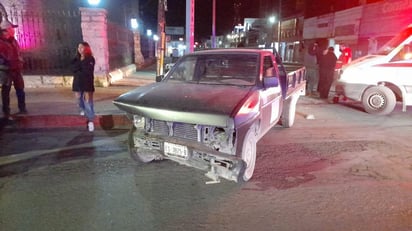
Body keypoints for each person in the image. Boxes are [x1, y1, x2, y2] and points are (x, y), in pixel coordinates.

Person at [0, 20, 26, 120]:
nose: (13, 31)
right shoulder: (1, 42)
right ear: (5, 30)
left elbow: (18, 52)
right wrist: (6, 63)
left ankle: (22, 107)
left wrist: (20, 60)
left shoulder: (13, 41)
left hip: (17, 68)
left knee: (20, 89)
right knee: (6, 91)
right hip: (7, 70)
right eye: (11, 29)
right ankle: (6, 112)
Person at [71, 42, 96, 132]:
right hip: (77, 83)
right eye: (78, 47)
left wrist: (79, 69)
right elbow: (73, 69)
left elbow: (88, 71)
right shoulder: (75, 59)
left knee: (88, 103)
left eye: (82, 47)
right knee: (79, 100)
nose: (80, 49)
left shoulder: (90, 59)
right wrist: (80, 68)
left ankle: (90, 121)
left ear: (86, 49)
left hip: (87, 83)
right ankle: (82, 109)